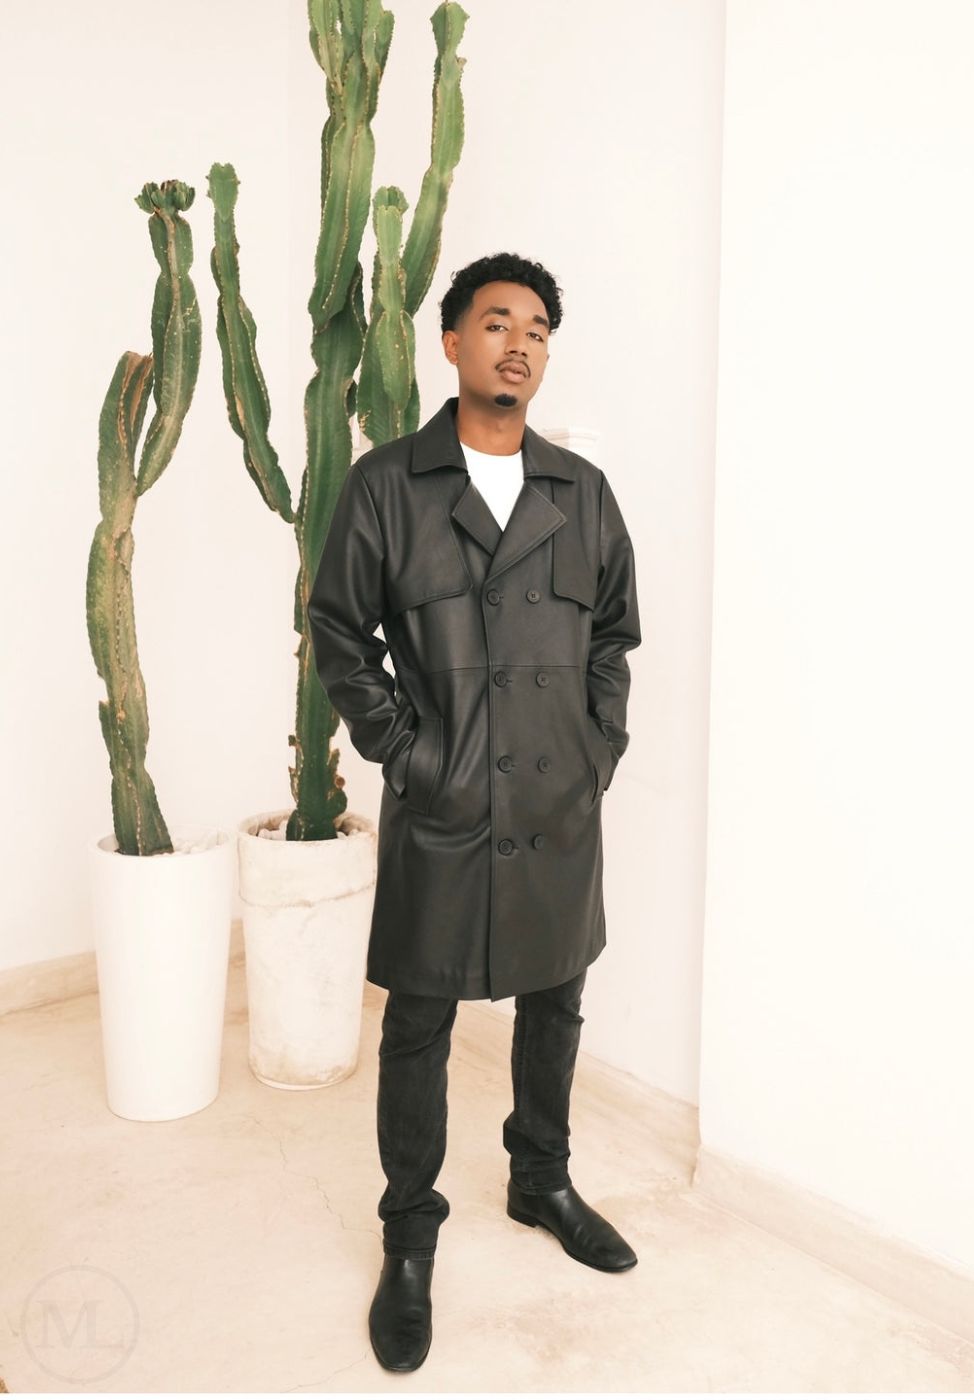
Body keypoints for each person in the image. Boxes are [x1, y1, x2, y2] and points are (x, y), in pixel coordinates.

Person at [307, 252, 642, 1373]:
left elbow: (612, 635)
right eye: (497, 322)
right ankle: (409, 1236)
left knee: (557, 999)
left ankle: (541, 1179)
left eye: (538, 328)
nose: (520, 343)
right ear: (450, 341)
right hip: (445, 798)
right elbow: (338, 631)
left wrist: (597, 747)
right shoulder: (388, 485)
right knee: (420, 1018)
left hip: (557, 801)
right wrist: (408, 753)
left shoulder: (581, 491)